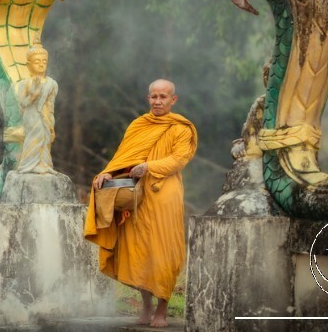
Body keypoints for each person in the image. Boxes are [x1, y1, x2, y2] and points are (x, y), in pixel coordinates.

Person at [84, 79, 197, 327]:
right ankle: (146, 307)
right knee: (138, 250)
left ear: (173, 100)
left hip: (164, 194)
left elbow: (178, 160)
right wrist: (107, 173)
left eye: (163, 97)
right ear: (148, 99)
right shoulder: (138, 125)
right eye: (154, 97)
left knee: (163, 251)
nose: (158, 101)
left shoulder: (181, 128)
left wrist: (149, 167)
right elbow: (123, 157)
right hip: (135, 197)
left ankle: (162, 311)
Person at [13, 44, 58, 174]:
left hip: (45, 116)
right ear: (29, 64)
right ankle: (29, 165)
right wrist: (33, 94)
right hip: (31, 116)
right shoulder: (25, 83)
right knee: (34, 138)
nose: (41, 64)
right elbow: (23, 103)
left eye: (44, 61)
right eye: (37, 61)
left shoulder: (52, 84)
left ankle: (44, 164)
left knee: (45, 138)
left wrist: (51, 126)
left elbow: (50, 107)